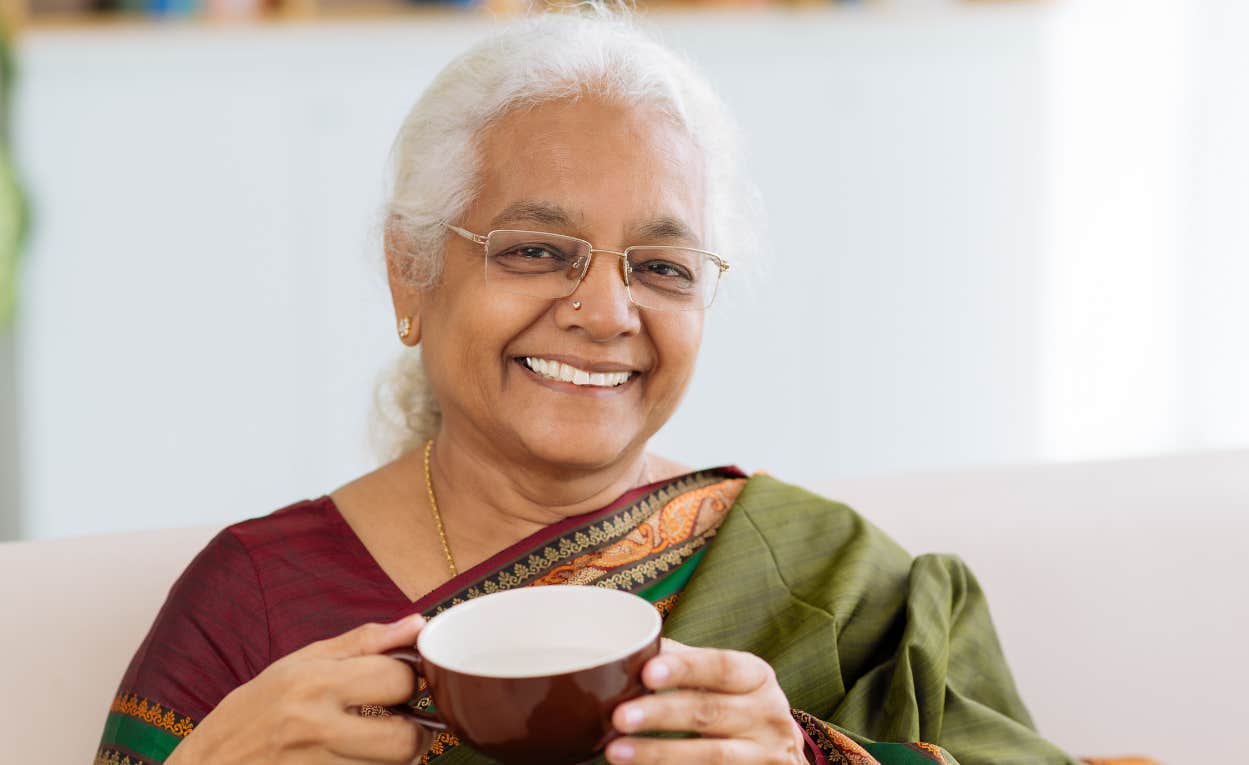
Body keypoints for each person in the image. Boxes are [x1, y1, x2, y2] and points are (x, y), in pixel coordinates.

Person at [95, 8, 1087, 765]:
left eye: (662, 268)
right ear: (412, 273)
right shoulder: (256, 603)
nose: (607, 311)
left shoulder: (829, 582)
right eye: (535, 250)